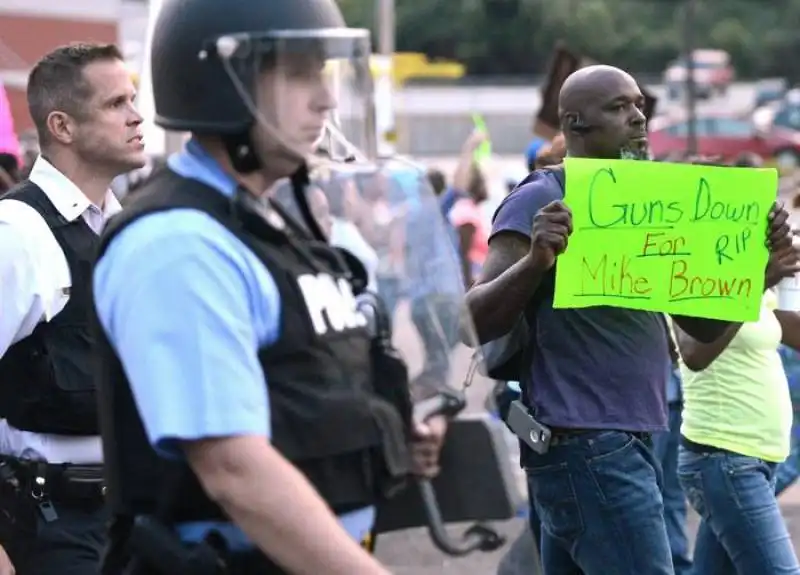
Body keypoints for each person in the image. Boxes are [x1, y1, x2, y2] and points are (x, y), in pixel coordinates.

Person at [91, 1, 452, 573]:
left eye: (325, 71)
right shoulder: (180, 242)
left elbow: (301, 387)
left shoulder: (273, 225)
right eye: (299, 71)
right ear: (220, 85)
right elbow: (234, 470)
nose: (327, 98)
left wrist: (379, 433)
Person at [465, 64, 795, 574]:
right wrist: (536, 262)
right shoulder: (543, 196)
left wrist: (755, 267)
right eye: (619, 108)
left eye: (638, 104)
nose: (638, 117)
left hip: (629, 438)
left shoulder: (650, 203)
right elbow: (471, 319)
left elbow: (701, 330)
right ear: (575, 124)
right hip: (588, 443)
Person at [0, 42, 144, 574]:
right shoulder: (17, 234)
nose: (137, 116)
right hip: (50, 524)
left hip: (129, 514)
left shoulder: (123, 228)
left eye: (133, 99)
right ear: (62, 126)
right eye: (115, 104)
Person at [675, 286, 800, 574]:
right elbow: (694, 353)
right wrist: (757, 278)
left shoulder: (758, 282)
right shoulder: (702, 274)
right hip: (725, 457)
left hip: (757, 458)